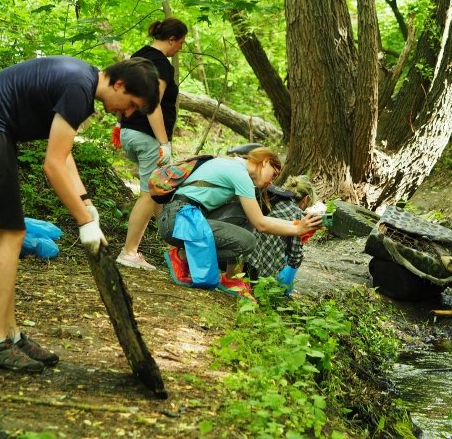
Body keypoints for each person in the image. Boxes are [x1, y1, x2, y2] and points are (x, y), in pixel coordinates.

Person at [0, 56, 160, 372]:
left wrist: (86, 203)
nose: (127, 113)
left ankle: (9, 334)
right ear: (119, 84)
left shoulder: (82, 83)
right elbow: (52, 164)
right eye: (131, 103)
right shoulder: (79, 87)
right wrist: (83, 221)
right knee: (9, 233)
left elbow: (64, 157)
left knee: (4, 234)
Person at [158, 147, 321, 299]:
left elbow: (254, 217)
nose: (272, 181)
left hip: (185, 219)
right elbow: (261, 224)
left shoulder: (235, 166)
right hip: (178, 221)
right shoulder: (239, 174)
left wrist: (298, 225)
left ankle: (231, 278)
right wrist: (298, 228)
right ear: (265, 162)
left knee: (243, 212)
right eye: (274, 174)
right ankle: (182, 256)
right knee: (247, 242)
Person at [116, 17, 188, 270]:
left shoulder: (137, 57)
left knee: (161, 191)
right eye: (180, 42)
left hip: (129, 132)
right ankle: (129, 252)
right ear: (171, 40)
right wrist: (164, 143)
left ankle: (175, 249)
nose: (180, 47)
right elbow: (151, 103)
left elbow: (123, 94)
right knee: (149, 193)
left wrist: (119, 124)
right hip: (147, 136)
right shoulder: (160, 64)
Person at [245, 175, 317, 294]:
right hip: (262, 267)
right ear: (306, 199)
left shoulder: (269, 198)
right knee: (293, 256)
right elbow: (295, 255)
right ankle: (281, 289)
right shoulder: (296, 212)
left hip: (244, 255)